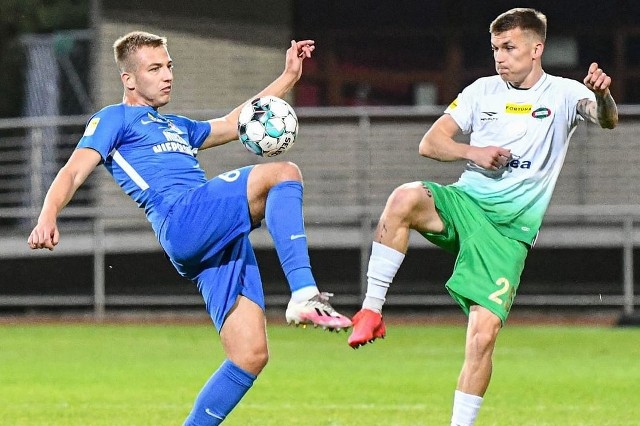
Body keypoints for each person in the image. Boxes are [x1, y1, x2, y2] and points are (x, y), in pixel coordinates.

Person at [27, 31, 352, 425]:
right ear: (129, 79)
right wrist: (48, 215)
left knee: (249, 355)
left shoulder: (177, 126)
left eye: (169, 66)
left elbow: (236, 123)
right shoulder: (114, 118)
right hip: (181, 218)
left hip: (211, 236)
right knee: (283, 173)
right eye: (154, 68)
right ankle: (304, 293)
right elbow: (74, 170)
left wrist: (288, 77)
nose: (167, 75)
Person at [347, 8, 618, 426]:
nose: (500, 57)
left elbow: (606, 118)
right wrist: (473, 152)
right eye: (495, 48)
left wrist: (601, 94)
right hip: (466, 204)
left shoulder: (563, 93)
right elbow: (431, 142)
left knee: (482, 336)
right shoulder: (482, 91)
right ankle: (371, 310)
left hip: (509, 232)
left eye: (509, 48)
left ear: (536, 48)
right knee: (404, 198)